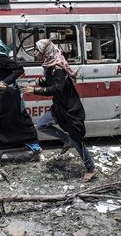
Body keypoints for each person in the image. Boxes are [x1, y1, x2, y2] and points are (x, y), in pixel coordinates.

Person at [22, 39, 97, 182]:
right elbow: (53, 83)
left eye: (37, 50)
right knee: (42, 125)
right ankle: (66, 139)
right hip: (59, 107)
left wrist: (35, 89)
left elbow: (58, 88)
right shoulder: (50, 66)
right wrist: (42, 82)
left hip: (70, 109)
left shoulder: (57, 68)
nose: (35, 52)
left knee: (77, 140)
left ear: (45, 51)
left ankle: (91, 168)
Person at [0, 36, 42, 162]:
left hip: (9, 95)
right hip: (10, 94)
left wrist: (5, 82)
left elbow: (19, 69)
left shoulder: (0, 57)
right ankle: (35, 146)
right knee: (17, 121)